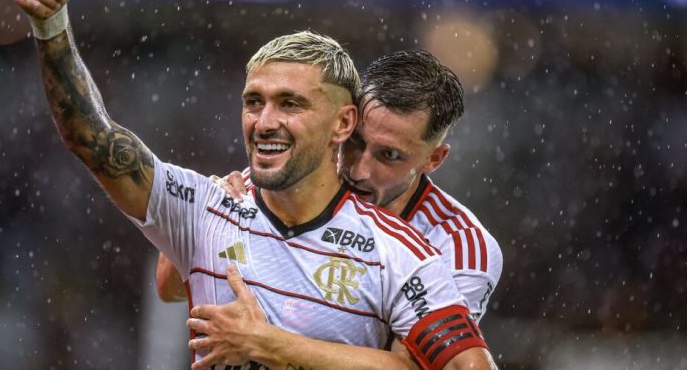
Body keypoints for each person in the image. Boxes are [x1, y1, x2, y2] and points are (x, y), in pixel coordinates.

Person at [16, 0, 496, 370]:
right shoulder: (212, 202)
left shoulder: (418, 251)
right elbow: (92, 138)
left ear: (340, 121)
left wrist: (271, 345)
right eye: (254, 102)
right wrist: (52, 24)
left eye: (290, 104)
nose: (266, 122)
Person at [159, 50, 503, 322]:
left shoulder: (460, 247)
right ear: (343, 122)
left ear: (434, 159)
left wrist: (269, 343)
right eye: (354, 142)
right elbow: (169, 288)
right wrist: (207, 219)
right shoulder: (284, 184)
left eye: (389, 155)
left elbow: (426, 365)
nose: (359, 169)